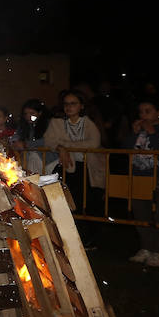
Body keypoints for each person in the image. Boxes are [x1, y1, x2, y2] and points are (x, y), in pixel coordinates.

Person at [122, 99, 159, 267]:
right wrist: (134, 133)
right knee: (140, 212)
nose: (143, 115)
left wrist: (153, 134)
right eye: (141, 112)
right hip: (140, 176)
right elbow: (126, 149)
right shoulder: (139, 129)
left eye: (148, 111)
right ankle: (146, 248)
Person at [44, 90, 105, 247]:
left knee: (88, 202)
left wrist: (65, 146)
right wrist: (60, 147)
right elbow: (50, 141)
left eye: (73, 103)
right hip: (66, 168)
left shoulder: (88, 123)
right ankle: (68, 238)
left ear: (81, 106)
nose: (69, 107)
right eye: (66, 104)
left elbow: (93, 143)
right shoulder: (56, 123)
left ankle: (89, 238)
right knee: (67, 202)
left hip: (87, 169)